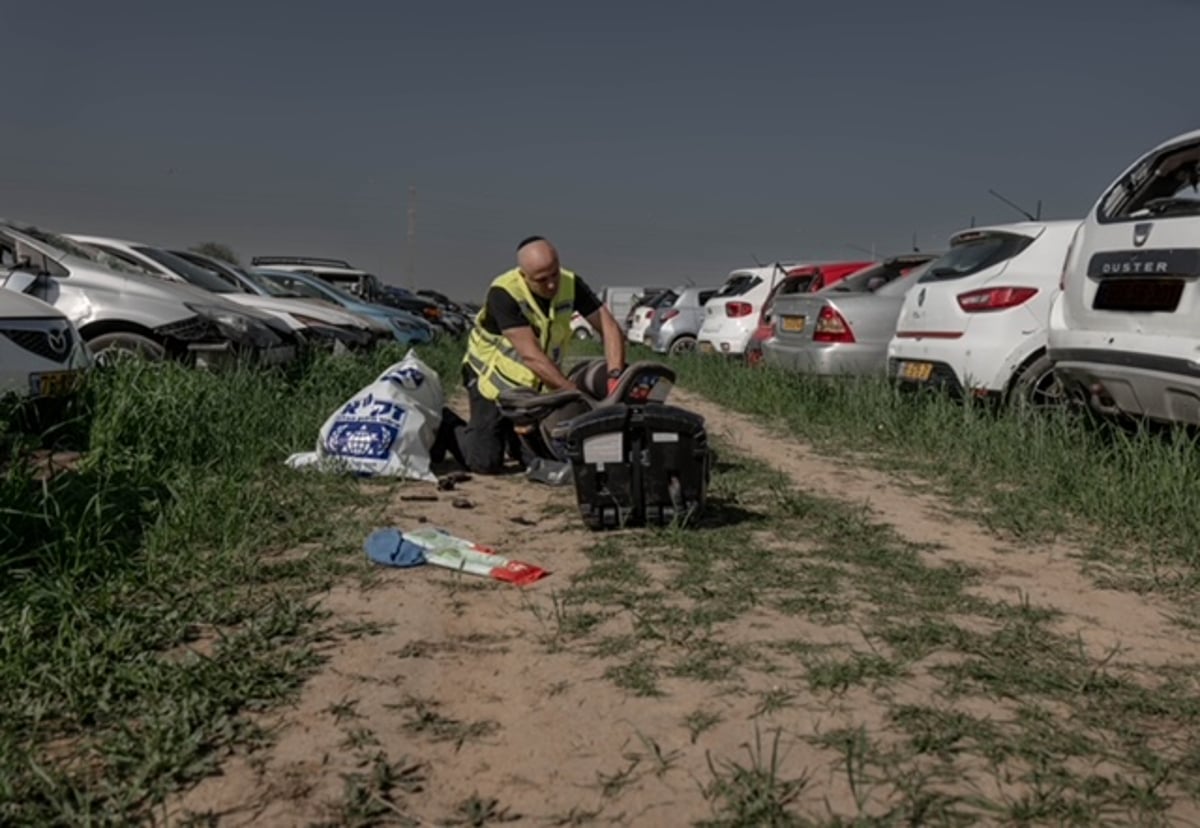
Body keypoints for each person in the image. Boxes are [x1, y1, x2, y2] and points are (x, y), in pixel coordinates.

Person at [458, 236, 626, 474]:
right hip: (489, 380)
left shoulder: (570, 283)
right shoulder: (504, 293)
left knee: (544, 458)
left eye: (554, 274)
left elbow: (609, 328)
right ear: (524, 276)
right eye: (541, 280)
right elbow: (532, 357)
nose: (551, 285)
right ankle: (448, 425)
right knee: (484, 461)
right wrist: (577, 397)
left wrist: (615, 376)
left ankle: (513, 433)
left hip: (530, 388)